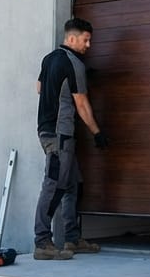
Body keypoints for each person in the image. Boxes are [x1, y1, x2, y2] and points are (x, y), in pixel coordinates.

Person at [33, 17, 111, 260]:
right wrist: (97, 132)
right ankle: (42, 241)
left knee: (73, 183)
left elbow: (38, 87)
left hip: (47, 131)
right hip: (60, 134)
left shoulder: (49, 59)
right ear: (72, 38)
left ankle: (72, 238)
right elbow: (81, 103)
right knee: (55, 184)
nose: (88, 45)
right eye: (86, 40)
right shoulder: (73, 63)